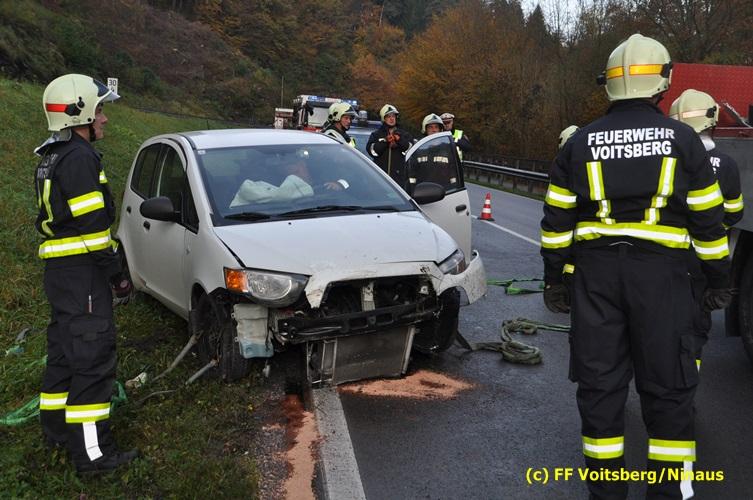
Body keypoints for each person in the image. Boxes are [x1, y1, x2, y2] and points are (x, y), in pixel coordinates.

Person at [540, 34, 731, 499]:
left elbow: (557, 223)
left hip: (595, 280)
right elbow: (709, 221)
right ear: (663, 82)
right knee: (669, 392)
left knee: (600, 392)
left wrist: (555, 281)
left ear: (609, 82)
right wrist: (718, 280)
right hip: (664, 281)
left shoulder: (578, 143)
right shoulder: (685, 141)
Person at [35, 74, 138, 474]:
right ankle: (94, 455)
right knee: (92, 360)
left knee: (65, 353)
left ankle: (58, 432)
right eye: (100, 110)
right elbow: (94, 228)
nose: (105, 119)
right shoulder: (79, 158)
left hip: (62, 274)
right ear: (79, 113)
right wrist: (116, 275)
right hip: (83, 275)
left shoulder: (53, 154)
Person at [670, 89, 744, 368]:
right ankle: (688, 376)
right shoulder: (726, 164)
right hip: (702, 261)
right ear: (712, 121)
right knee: (695, 325)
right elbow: (735, 213)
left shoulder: (665, 160)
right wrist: (712, 229)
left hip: (663, 256)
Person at [366, 104, 413, 186]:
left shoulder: (404, 134)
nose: (392, 119)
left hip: (399, 180)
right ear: (383, 119)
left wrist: (399, 140)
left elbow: (411, 150)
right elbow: (372, 151)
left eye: (393, 116)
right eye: (388, 116)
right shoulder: (376, 135)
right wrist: (385, 141)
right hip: (380, 179)